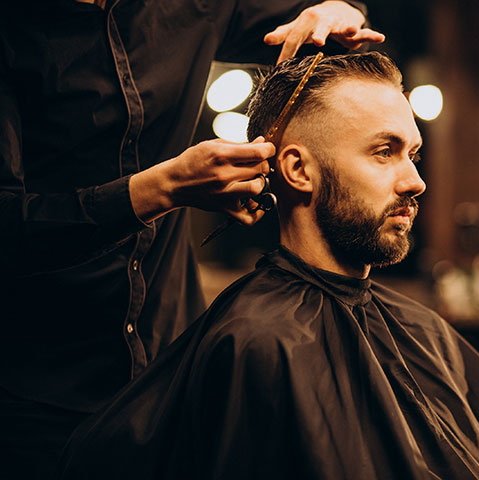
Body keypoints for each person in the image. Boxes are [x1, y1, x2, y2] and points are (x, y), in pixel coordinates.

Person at [57, 52, 479, 480]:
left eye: (413, 155)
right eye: (383, 151)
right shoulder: (258, 343)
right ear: (298, 169)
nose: (415, 181)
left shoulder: (423, 331)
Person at [0, 1, 384, 478]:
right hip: (35, 391)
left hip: (171, 369)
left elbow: (319, 17)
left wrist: (336, 8)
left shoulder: (190, 7)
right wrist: (162, 188)